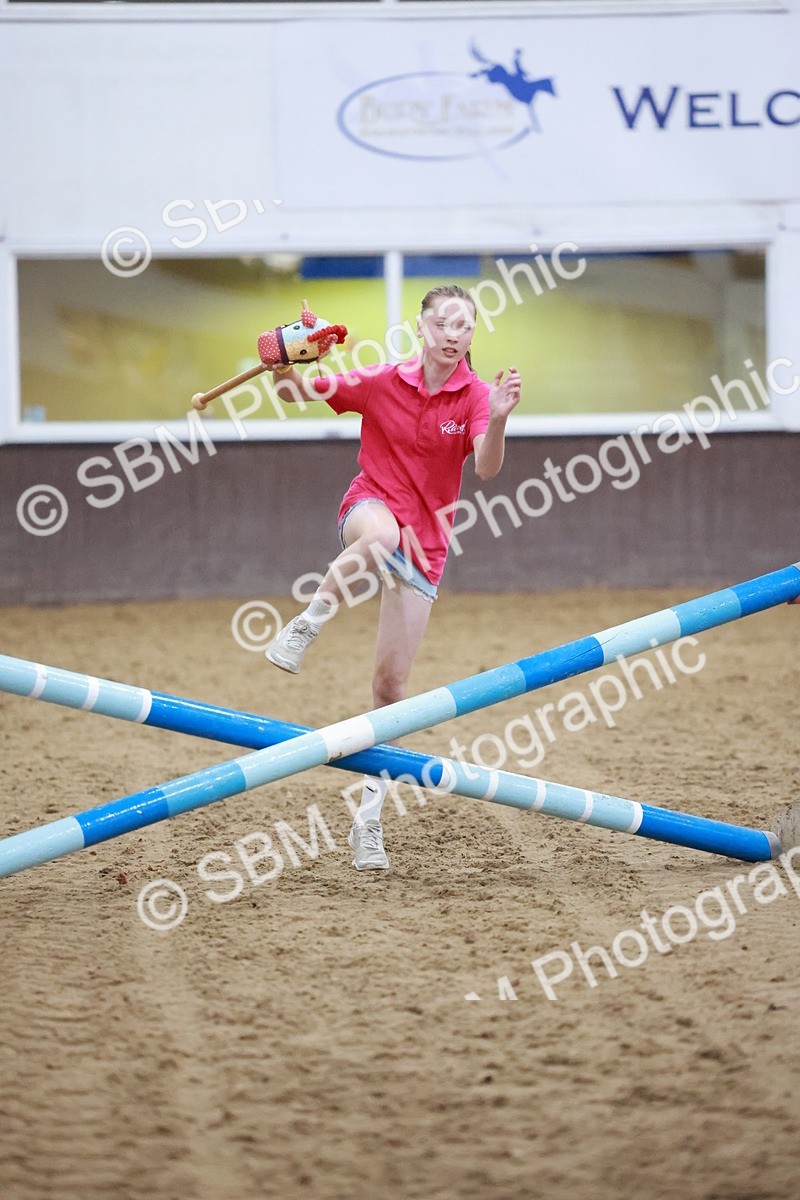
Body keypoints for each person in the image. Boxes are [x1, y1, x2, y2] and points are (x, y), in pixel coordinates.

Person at [265, 285, 521, 870]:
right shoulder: (382, 379)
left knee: (391, 693)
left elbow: (485, 468)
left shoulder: (477, 396)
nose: (455, 334)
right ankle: (307, 623)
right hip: (371, 507)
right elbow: (295, 392)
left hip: (426, 548)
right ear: (422, 328)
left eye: (466, 326)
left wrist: (501, 419)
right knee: (379, 539)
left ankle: (369, 820)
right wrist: (281, 359)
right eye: (444, 323)